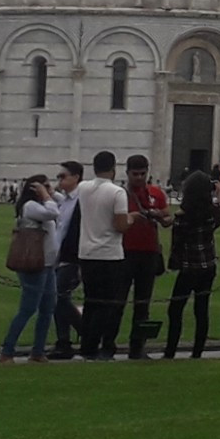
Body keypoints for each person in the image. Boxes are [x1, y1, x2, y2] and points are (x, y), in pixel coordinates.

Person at [75, 151, 137, 360]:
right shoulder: (117, 192)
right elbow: (120, 226)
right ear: (113, 168)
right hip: (109, 254)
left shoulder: (83, 188)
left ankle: (86, 345)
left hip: (86, 252)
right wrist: (132, 218)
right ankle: (97, 346)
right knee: (107, 304)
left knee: (91, 301)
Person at [161, 170, 220, 359]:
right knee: (201, 309)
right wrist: (218, 194)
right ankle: (197, 352)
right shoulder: (212, 214)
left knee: (175, 310)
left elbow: (177, 244)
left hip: (189, 268)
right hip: (208, 267)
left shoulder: (184, 217)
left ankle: (170, 351)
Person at [0, 175, 63, 363]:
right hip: (34, 264)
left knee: (47, 308)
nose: (50, 189)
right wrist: (45, 195)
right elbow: (53, 213)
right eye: (46, 186)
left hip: (48, 264)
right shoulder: (30, 207)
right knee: (28, 308)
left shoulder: (42, 204)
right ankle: (7, 350)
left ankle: (38, 351)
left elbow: (61, 204)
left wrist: (50, 193)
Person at [122, 155, 169, 359]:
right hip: (124, 252)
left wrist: (158, 214)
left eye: (143, 173)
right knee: (118, 301)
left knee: (143, 303)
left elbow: (168, 219)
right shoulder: (120, 194)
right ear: (128, 173)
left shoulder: (156, 193)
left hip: (148, 253)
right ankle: (107, 345)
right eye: (135, 174)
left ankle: (137, 347)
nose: (139, 178)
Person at [48, 162, 86, 360]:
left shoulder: (83, 199)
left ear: (76, 177)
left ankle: (81, 331)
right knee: (58, 299)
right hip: (60, 257)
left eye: (63, 176)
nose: (59, 180)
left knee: (59, 297)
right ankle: (64, 342)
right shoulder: (65, 201)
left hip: (73, 258)